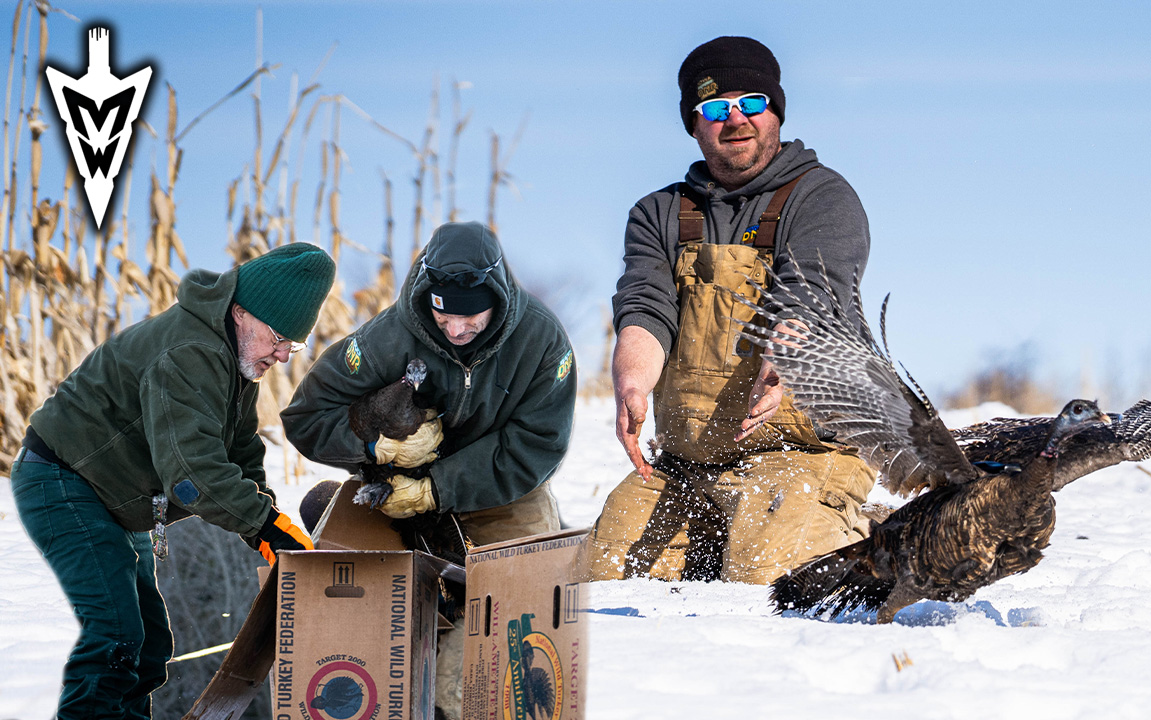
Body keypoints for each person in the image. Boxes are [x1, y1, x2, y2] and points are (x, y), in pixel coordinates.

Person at [576, 36, 878, 585]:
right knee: (604, 576)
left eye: (752, 103)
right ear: (694, 124)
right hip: (687, 465)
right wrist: (632, 384)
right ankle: (730, 543)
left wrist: (783, 357)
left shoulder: (823, 197)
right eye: (715, 108)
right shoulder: (658, 213)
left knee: (768, 581)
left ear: (776, 111)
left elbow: (813, 290)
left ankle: (861, 537)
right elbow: (646, 305)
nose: (736, 119)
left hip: (804, 454)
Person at [9, 242, 335, 719]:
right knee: (115, 634)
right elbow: (191, 474)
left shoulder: (235, 361)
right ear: (241, 313)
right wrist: (264, 526)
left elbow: (241, 454)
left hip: (110, 497)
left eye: (296, 344)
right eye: (280, 337)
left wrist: (269, 525)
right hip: (63, 481)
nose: (284, 355)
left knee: (149, 643)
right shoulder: (190, 352)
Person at [280, 220, 576, 720]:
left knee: (508, 630)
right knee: (333, 529)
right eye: (443, 315)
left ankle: (462, 689)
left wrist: (435, 488)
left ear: (498, 296)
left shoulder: (542, 341)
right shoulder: (389, 337)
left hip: (502, 491)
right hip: (396, 489)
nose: (455, 329)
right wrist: (377, 446)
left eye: (470, 316)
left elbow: (537, 445)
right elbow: (305, 418)